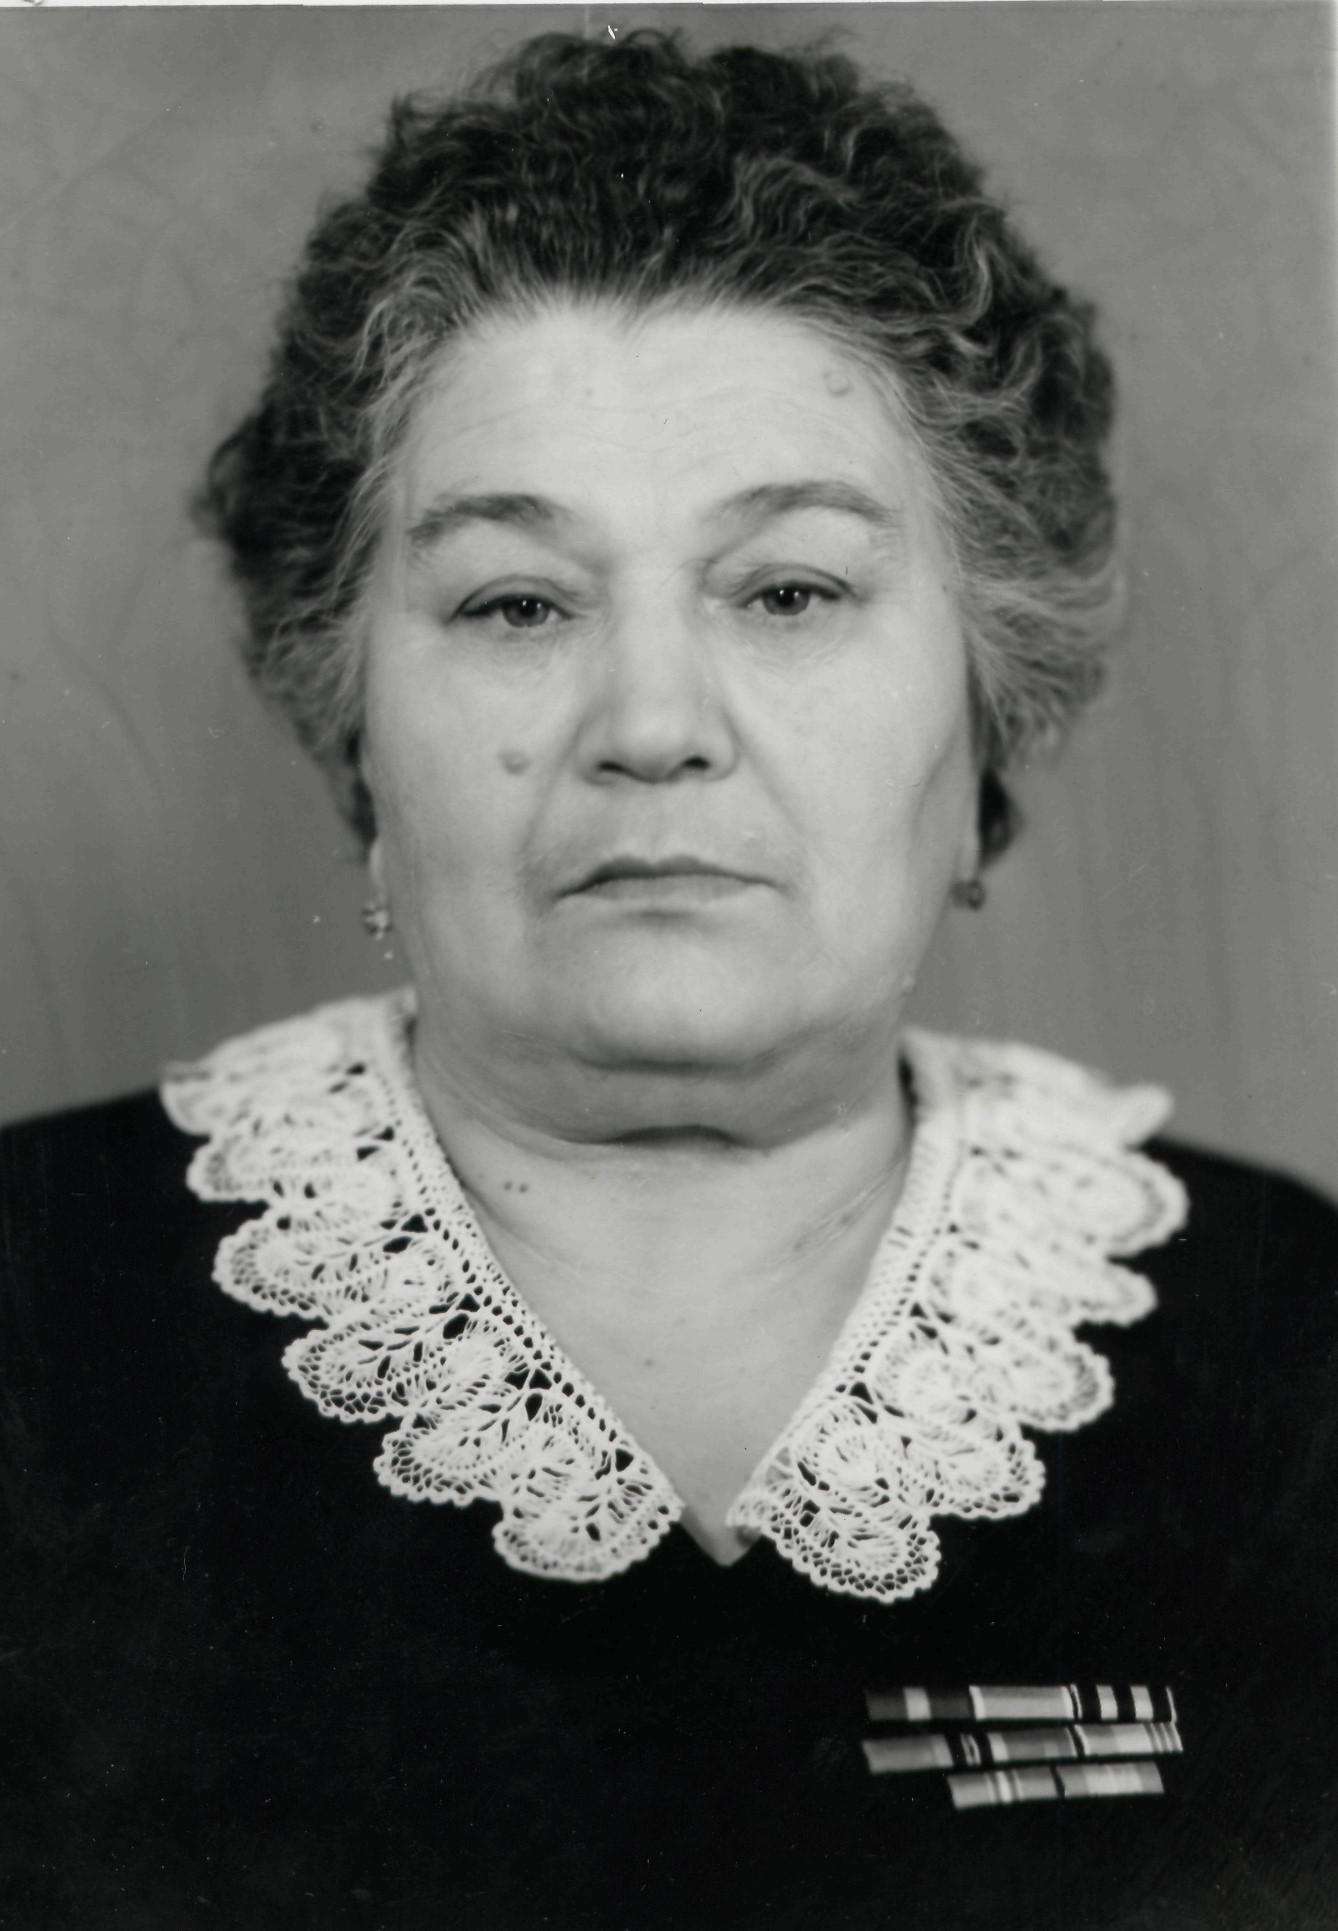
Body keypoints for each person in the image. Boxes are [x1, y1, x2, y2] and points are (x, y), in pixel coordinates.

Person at [3, 31, 1336, 1931]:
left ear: (988, 704)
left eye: (789, 592)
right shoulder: (31, 1298)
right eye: (514, 603)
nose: (648, 724)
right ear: (353, 719)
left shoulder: (1292, 1337)